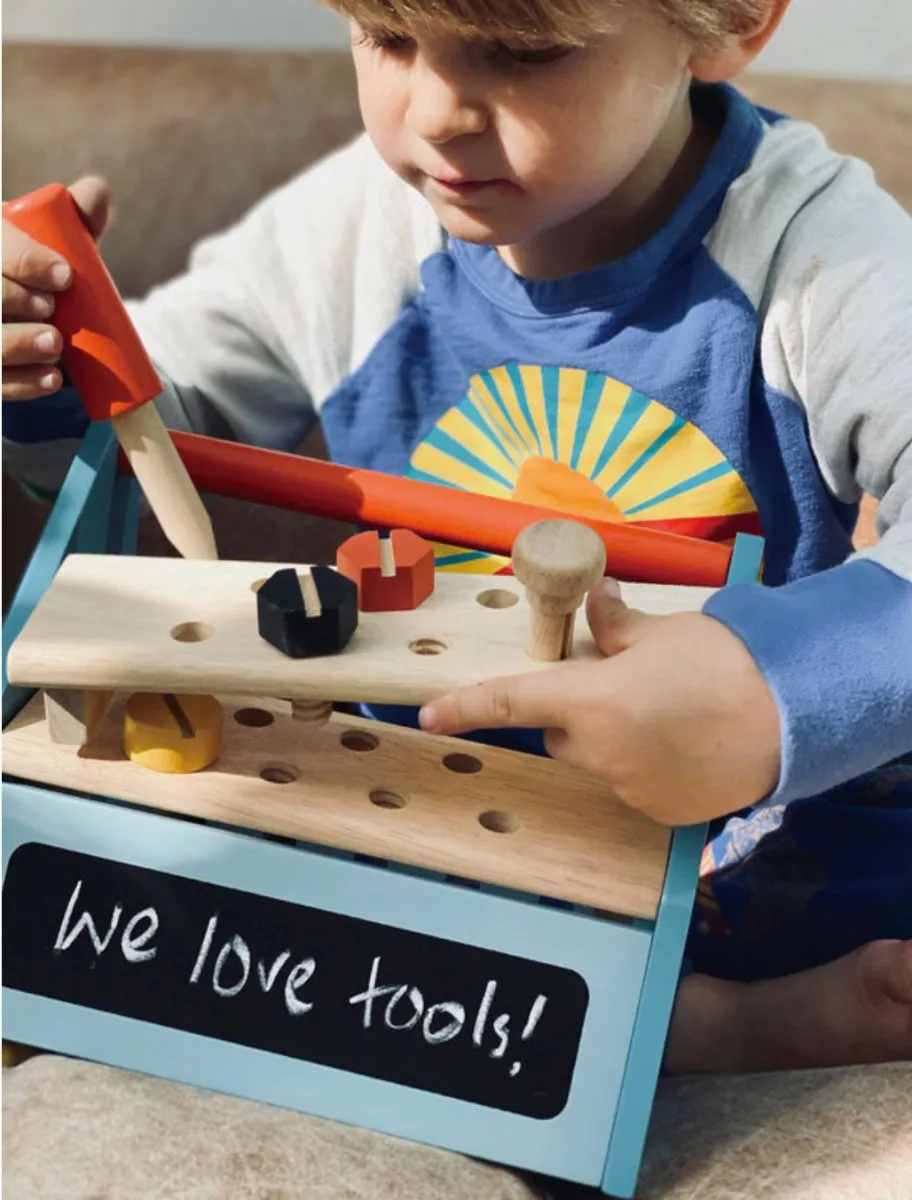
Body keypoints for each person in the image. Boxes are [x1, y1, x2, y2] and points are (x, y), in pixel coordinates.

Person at [3, 0, 911, 1074]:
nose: (433, 112)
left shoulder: (821, 257)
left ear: (730, 21)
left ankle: (725, 1023)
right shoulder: (351, 229)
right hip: (424, 804)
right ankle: (685, 1033)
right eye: (386, 38)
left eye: (525, 54)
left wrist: (772, 688)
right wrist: (49, 377)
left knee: (832, 873)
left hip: (722, 822)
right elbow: (157, 450)